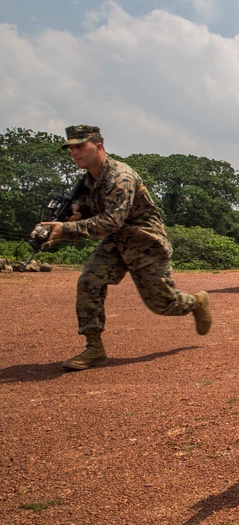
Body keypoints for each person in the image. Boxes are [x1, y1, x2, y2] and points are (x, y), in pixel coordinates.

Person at [40, 125, 212, 371]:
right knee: (89, 280)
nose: (74, 152)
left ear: (98, 145)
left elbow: (111, 220)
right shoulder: (87, 181)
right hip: (115, 243)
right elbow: (93, 212)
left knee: (163, 304)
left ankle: (195, 302)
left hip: (145, 243)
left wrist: (67, 230)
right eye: (71, 148)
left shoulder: (120, 176)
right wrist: (71, 218)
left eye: (80, 146)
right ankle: (94, 349)